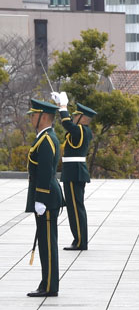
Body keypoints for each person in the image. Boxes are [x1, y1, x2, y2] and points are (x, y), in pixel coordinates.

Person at [25, 98, 63, 298]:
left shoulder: (47, 139)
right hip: (45, 198)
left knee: (47, 243)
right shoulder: (44, 137)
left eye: (34, 114)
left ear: (45, 117)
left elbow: (46, 172)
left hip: (46, 199)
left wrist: (40, 199)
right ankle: (46, 282)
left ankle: (49, 285)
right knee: (45, 242)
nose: (31, 118)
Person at [50, 91, 93, 251]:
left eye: (76, 115)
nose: (73, 117)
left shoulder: (81, 130)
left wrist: (63, 106)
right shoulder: (81, 130)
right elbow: (68, 124)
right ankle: (78, 239)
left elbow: (67, 123)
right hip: (73, 172)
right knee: (74, 208)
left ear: (82, 118)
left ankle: (81, 241)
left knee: (76, 208)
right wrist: (59, 106)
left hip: (75, 173)